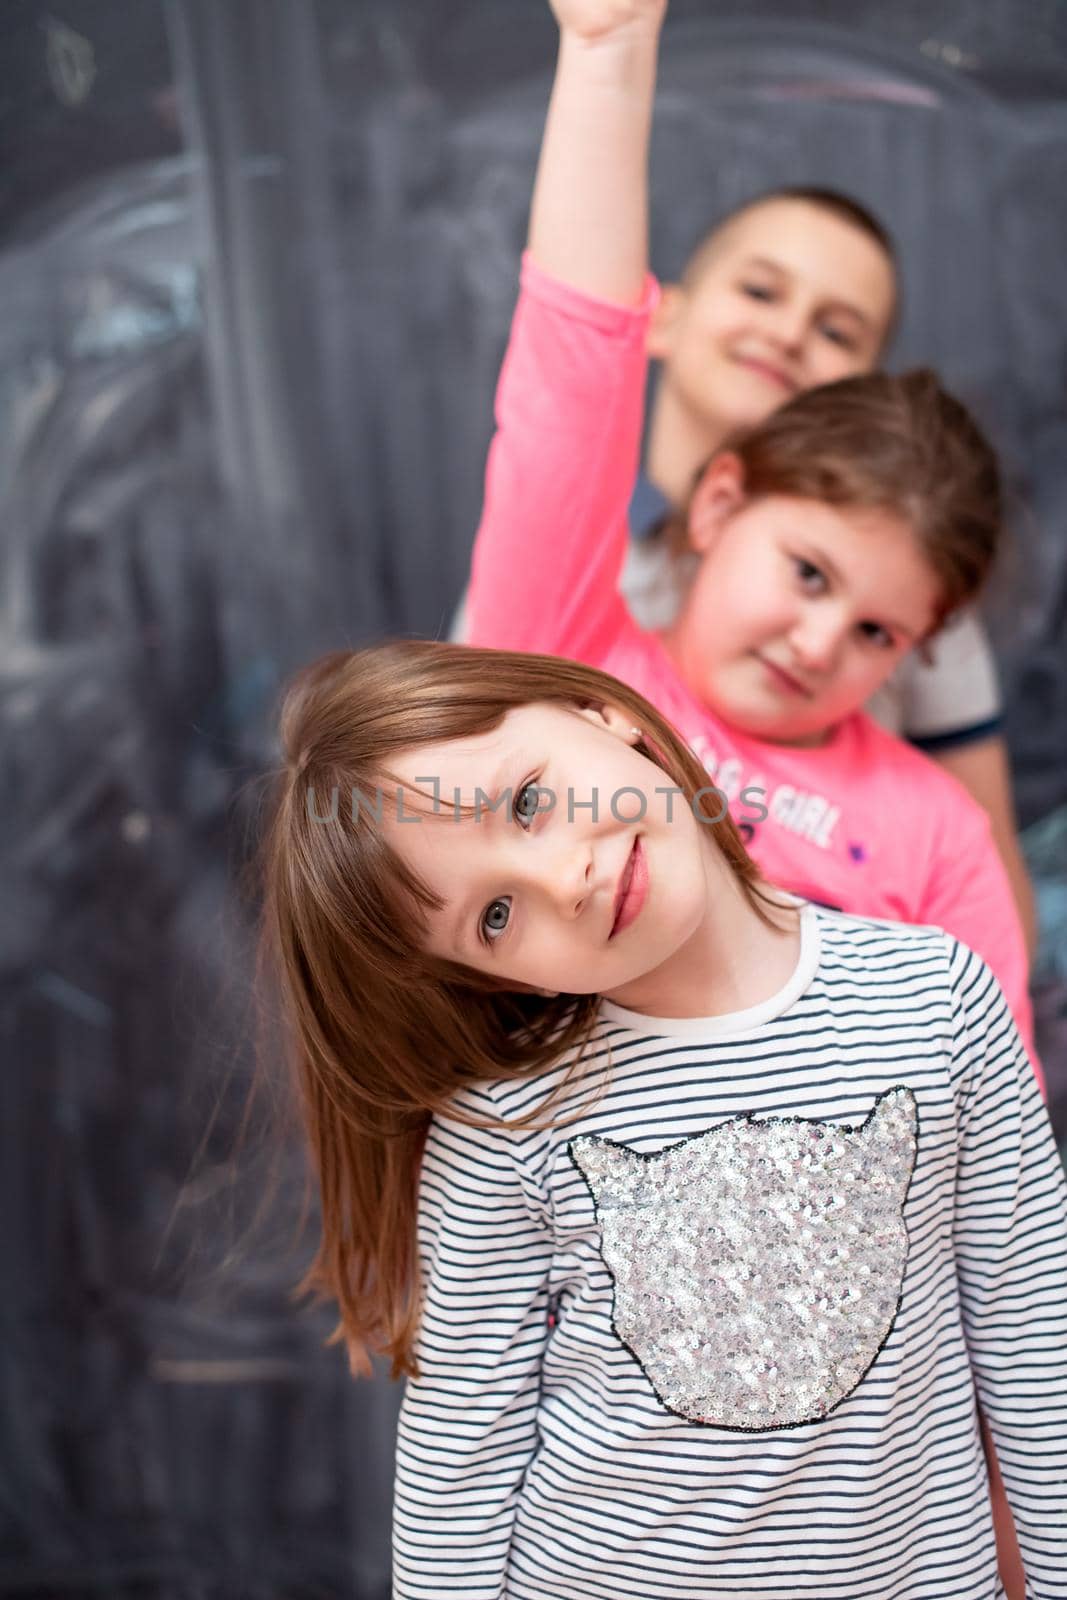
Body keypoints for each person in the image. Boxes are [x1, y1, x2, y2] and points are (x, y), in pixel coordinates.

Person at [262, 635, 1067, 1597]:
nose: (562, 881)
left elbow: (1034, 1347)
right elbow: (458, 1464)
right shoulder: (505, 1124)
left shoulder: (932, 1001)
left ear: (610, 717)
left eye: (525, 801)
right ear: (483, 976)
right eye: (493, 918)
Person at [464, 0, 1043, 1089]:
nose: (819, 639)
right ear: (722, 504)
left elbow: (989, 1124)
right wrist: (603, 51)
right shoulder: (565, 636)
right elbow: (567, 379)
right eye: (807, 574)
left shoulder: (934, 834)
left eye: (874, 628)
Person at [629, 182, 1038, 953]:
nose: (786, 335)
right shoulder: (573, 571)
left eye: (835, 332)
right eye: (759, 290)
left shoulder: (916, 584)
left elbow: (985, 884)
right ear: (665, 313)